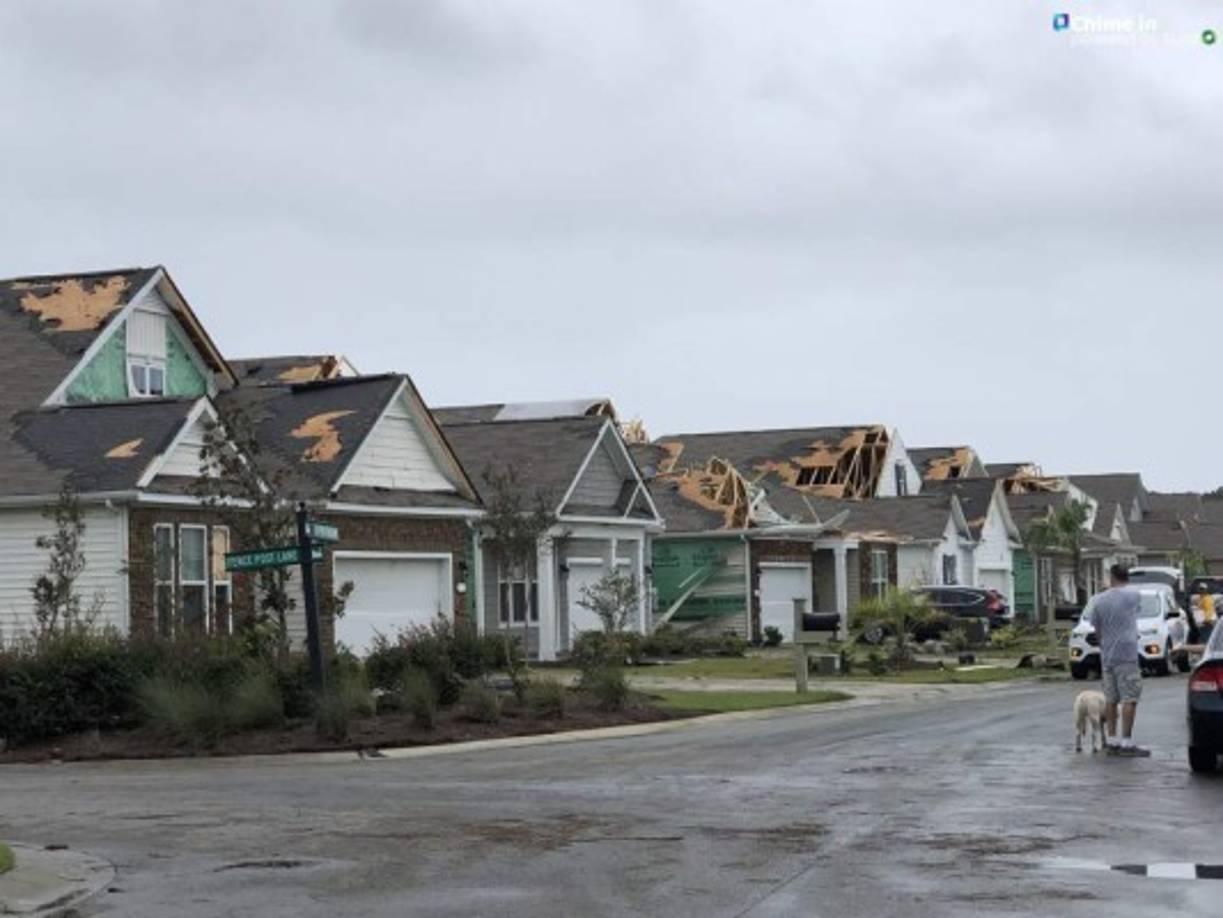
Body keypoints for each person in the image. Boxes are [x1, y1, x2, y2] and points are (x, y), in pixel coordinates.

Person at [1083, 564, 1149, 757]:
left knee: (1111, 699)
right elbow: (1136, 611)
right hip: (1127, 654)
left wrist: (1104, 644)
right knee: (1129, 698)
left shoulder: (1099, 600)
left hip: (1107, 656)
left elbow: (1097, 629)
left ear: (1111, 577)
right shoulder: (1133, 595)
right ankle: (1126, 743)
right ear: (1127, 577)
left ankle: (1111, 741)